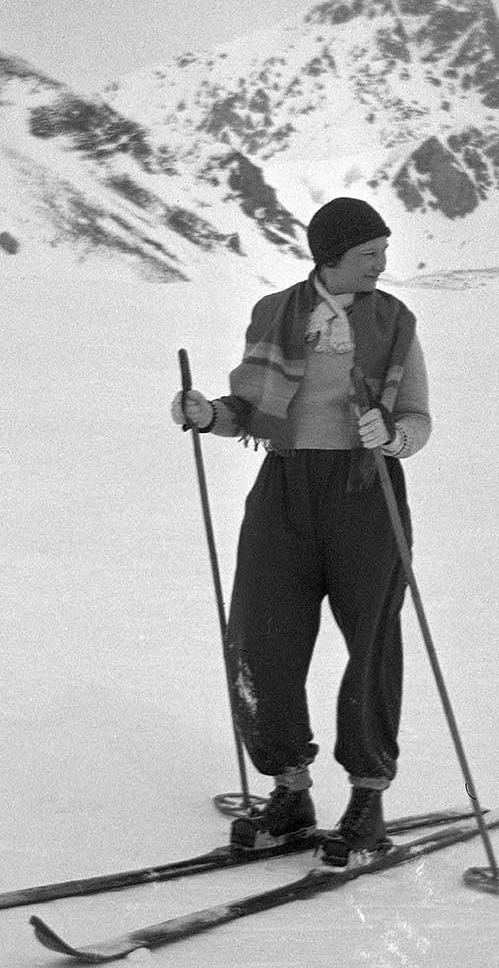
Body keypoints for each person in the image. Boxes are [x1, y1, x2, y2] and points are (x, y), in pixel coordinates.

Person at [171, 197, 431, 867]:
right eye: (369, 254)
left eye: (383, 253)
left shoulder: (395, 322)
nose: (382, 264)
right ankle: (290, 791)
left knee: (371, 645)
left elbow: (417, 421)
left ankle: (367, 798)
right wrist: (206, 415)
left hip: (364, 495)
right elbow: (249, 412)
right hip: (284, 493)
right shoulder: (275, 313)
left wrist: (392, 435)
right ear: (330, 258)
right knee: (261, 635)